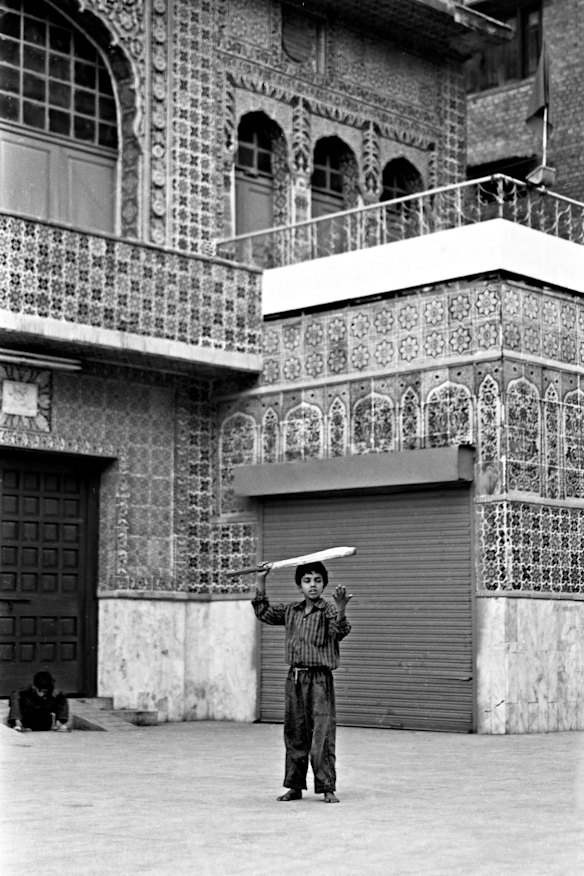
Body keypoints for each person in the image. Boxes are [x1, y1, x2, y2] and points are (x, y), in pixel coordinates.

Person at [252, 560, 352, 803]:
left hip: (319, 680)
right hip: (295, 678)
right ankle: (294, 786)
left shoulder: (328, 611)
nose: (313, 585)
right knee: (295, 733)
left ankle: (327, 787)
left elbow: (340, 631)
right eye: (307, 581)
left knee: (322, 735)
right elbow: (263, 612)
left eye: (317, 580)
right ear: (299, 586)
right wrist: (261, 579)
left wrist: (340, 608)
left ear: (324, 584)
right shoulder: (291, 611)